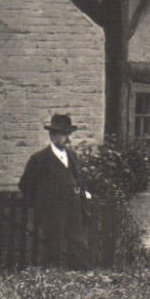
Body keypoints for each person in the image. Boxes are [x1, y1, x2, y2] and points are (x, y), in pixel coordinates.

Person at [19, 114, 93, 269]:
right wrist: (43, 203)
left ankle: (80, 277)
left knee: (78, 243)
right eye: (63, 134)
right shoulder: (40, 159)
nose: (67, 138)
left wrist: (82, 195)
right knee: (54, 246)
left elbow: (78, 179)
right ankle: (54, 279)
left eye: (68, 134)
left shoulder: (72, 156)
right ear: (53, 136)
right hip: (53, 212)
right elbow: (26, 185)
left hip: (74, 209)